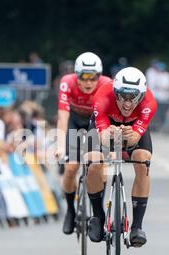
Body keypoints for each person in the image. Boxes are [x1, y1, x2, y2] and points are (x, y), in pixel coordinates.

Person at [85, 67, 157, 247]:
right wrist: (108, 134)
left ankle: (137, 227)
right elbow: (101, 138)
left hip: (133, 127)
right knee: (93, 162)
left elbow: (135, 139)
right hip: (106, 124)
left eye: (133, 97)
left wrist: (131, 133)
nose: (127, 103)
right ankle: (98, 215)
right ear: (115, 92)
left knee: (143, 161)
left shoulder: (150, 103)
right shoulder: (102, 96)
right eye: (123, 96)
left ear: (142, 95)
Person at [54, 52, 112, 235]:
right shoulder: (67, 82)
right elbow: (63, 117)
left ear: (99, 76)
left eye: (93, 78)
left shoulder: (107, 84)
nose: (88, 83)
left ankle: (97, 211)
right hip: (74, 121)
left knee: (99, 166)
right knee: (71, 167)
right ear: (76, 76)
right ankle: (70, 211)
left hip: (97, 122)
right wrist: (60, 145)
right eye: (83, 78)